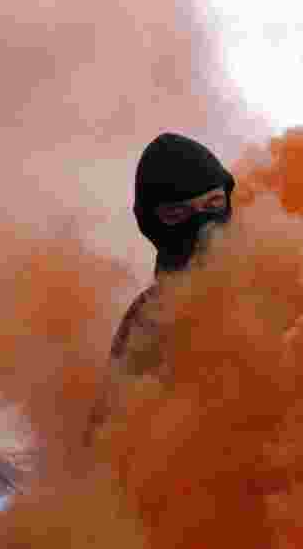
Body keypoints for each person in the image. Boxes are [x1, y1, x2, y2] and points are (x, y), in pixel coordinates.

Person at [84, 133, 236, 442]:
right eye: (178, 214)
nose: (204, 226)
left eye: (214, 204)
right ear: (151, 223)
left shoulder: (282, 285)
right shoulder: (148, 318)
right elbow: (104, 440)